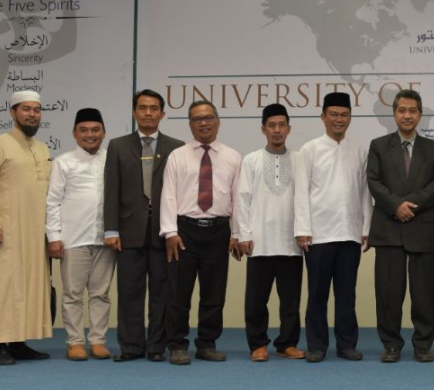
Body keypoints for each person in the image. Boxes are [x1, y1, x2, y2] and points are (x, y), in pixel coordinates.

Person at [0, 90, 53, 365]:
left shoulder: (42, 148)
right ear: (13, 113)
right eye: (26, 109)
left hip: (34, 232)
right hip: (4, 231)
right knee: (3, 286)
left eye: (36, 110)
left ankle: (19, 343)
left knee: (28, 286)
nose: (32, 114)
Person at [367, 89, 434, 363]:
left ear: (420, 115)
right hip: (389, 228)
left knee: (424, 293)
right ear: (394, 114)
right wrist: (395, 206)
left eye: (412, 111)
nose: (407, 115)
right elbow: (374, 182)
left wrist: (408, 205)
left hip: (421, 226)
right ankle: (391, 345)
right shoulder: (378, 146)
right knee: (388, 293)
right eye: (402, 110)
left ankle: (423, 345)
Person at [103, 90, 184, 362]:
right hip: (127, 232)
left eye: (154, 108)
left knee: (162, 292)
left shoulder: (176, 147)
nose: (148, 113)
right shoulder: (117, 145)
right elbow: (111, 190)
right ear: (135, 113)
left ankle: (156, 347)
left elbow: (182, 193)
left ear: (162, 114)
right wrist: (111, 229)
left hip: (164, 231)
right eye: (142, 108)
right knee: (129, 292)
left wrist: (176, 230)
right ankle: (131, 347)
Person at [160, 100, 242, 365]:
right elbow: (168, 195)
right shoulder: (177, 156)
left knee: (214, 294)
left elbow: (238, 198)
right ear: (190, 125)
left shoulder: (232, 157)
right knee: (178, 293)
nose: (204, 123)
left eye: (209, 118)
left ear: (218, 121)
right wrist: (170, 232)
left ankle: (207, 343)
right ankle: (177, 345)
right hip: (184, 232)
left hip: (218, 231)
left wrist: (237, 233)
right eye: (197, 119)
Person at [294, 92, 372, 363]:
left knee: (347, 294)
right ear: (323, 117)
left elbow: (364, 192)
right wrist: (303, 229)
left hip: (350, 232)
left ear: (350, 117)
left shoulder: (359, 149)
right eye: (334, 114)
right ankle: (316, 345)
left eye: (344, 115)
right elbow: (301, 192)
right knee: (317, 293)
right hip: (318, 234)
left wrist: (366, 226)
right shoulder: (310, 149)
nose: (339, 120)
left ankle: (347, 344)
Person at [234, 104, 306, 361]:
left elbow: (305, 199)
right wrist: (244, 235)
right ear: (263, 129)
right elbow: (242, 199)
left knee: (290, 300)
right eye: (272, 126)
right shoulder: (251, 160)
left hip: (291, 242)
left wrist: (304, 231)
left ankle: (287, 343)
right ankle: (258, 344)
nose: (277, 130)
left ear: (289, 128)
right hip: (259, 241)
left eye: (282, 125)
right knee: (256, 299)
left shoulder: (300, 159)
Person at [46, 108, 114, 361]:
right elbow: (52, 202)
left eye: (95, 130)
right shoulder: (63, 162)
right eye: (84, 130)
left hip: (105, 239)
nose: (90, 135)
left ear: (104, 132)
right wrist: (54, 237)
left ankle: (98, 341)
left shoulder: (112, 159)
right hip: (73, 239)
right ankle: (75, 341)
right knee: (72, 294)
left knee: (101, 294)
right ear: (75, 133)